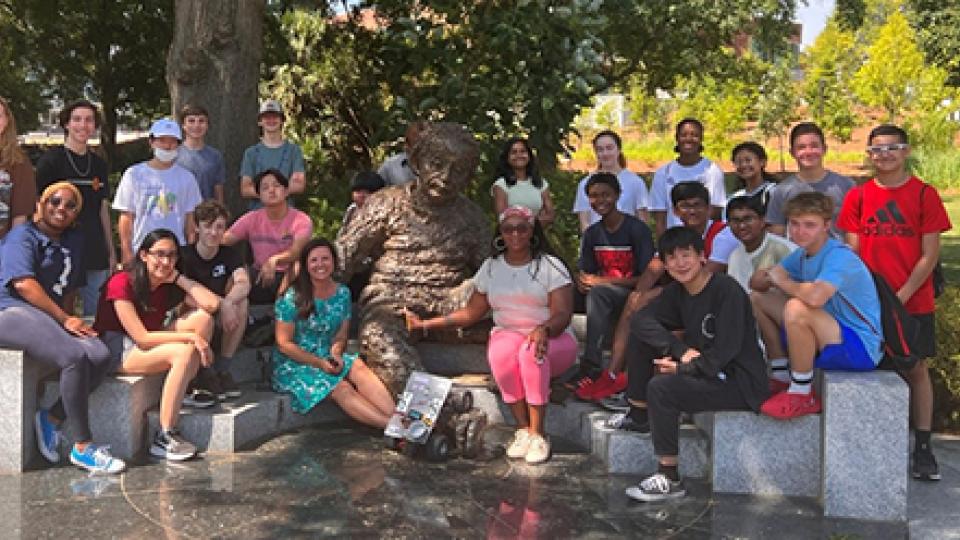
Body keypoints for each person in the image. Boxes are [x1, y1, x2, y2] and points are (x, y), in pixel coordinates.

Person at [406, 206, 577, 464]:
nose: (515, 234)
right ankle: (522, 430)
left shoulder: (550, 266)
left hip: (552, 338)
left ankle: (539, 434)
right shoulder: (491, 267)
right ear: (500, 233)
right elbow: (472, 312)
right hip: (509, 333)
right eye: (508, 229)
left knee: (531, 354)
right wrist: (426, 325)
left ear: (532, 232)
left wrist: (544, 329)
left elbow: (563, 313)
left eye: (522, 228)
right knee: (501, 354)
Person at [619, 226, 769, 501]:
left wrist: (682, 367)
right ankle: (639, 414)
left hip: (739, 381)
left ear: (702, 256)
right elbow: (641, 321)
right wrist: (678, 349)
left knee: (662, 388)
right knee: (644, 338)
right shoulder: (679, 292)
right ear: (664, 265)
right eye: (672, 258)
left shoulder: (726, 290)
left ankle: (669, 476)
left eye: (686, 255)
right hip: (708, 371)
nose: (680, 263)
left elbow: (725, 352)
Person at [837, 124, 952, 482]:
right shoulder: (857, 196)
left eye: (892, 148)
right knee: (871, 370)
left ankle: (922, 447)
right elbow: (852, 251)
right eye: (876, 150)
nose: (883, 155)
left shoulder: (924, 195)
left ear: (905, 152)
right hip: (868, 303)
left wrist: (899, 298)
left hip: (912, 301)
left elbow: (929, 254)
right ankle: (872, 448)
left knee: (916, 369)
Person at [0, 182, 124, 474]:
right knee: (73, 357)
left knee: (100, 354)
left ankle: (51, 418)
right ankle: (83, 447)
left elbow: (70, 288)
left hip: (47, 316)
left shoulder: (74, 240)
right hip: (10, 309)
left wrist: (69, 318)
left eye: (70, 206)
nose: (61, 209)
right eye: (55, 201)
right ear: (40, 204)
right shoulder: (23, 236)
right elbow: (24, 285)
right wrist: (64, 320)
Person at [751, 192, 882, 419]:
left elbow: (815, 298)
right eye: (794, 224)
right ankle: (782, 376)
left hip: (860, 345)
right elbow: (757, 283)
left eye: (809, 225)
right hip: (829, 332)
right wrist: (768, 277)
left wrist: (782, 280)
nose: (800, 231)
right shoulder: (802, 254)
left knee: (796, 307)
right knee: (758, 299)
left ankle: (802, 392)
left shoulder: (840, 256)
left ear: (826, 225)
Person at [93, 229, 219, 461]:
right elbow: (141, 337)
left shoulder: (166, 282)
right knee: (184, 352)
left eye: (172, 256)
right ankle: (164, 434)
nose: (166, 262)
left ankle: (184, 389)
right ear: (144, 255)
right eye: (159, 254)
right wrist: (191, 338)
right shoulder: (121, 282)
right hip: (118, 348)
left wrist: (179, 278)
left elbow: (210, 305)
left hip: (147, 341)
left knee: (203, 319)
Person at [273, 238, 395, 426]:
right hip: (296, 362)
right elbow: (284, 344)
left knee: (358, 367)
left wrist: (335, 354)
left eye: (325, 259)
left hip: (327, 354)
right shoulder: (292, 297)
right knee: (341, 388)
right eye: (314, 260)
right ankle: (391, 427)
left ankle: (400, 419)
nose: (320, 264)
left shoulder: (343, 293)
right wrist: (319, 363)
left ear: (334, 262)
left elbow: (341, 335)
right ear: (305, 265)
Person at [573, 172, 654, 398]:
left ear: (618, 195)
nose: (600, 201)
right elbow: (587, 271)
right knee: (562, 291)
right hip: (601, 293)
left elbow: (648, 277)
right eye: (594, 196)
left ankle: (592, 364)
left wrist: (601, 282)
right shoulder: (592, 234)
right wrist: (582, 282)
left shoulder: (637, 230)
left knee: (599, 293)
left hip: (630, 294)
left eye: (606, 195)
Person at [34, 99, 112, 316]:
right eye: (77, 119)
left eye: (89, 120)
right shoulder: (50, 161)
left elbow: (102, 208)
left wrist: (111, 251)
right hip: (61, 246)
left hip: (94, 247)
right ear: (66, 124)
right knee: (57, 314)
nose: (83, 125)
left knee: (95, 315)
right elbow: (38, 205)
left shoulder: (99, 164)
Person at [181, 200, 251, 399]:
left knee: (242, 302)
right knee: (203, 313)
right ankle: (202, 372)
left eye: (219, 226)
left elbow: (243, 283)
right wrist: (222, 304)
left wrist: (228, 303)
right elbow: (185, 298)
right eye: (208, 226)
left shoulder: (230, 254)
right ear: (196, 227)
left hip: (220, 314)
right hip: (191, 315)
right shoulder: (184, 255)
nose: (214, 232)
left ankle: (222, 369)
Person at [113, 118, 203, 268]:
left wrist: (190, 251)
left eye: (172, 141)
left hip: (175, 252)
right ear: (152, 142)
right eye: (162, 140)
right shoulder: (134, 174)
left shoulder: (187, 178)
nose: (167, 146)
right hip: (142, 251)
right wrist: (126, 251)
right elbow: (126, 216)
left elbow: (190, 220)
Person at [223, 168, 312, 304]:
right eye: (265, 188)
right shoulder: (252, 218)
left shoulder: (301, 219)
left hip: (289, 273)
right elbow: (225, 239)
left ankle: (281, 309)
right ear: (259, 195)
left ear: (286, 191)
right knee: (237, 274)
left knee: (298, 265)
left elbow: (297, 252)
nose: (271, 190)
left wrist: (274, 260)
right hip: (259, 272)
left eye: (276, 186)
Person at [765, 122, 853, 239]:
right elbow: (777, 238)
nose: (809, 152)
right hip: (798, 255)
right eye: (801, 147)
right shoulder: (781, 191)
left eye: (814, 146)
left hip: (837, 255)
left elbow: (853, 233)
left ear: (824, 149)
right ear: (792, 153)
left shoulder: (846, 186)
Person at [649, 118, 727, 237]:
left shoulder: (712, 170)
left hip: (703, 240)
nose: (689, 139)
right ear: (677, 138)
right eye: (684, 135)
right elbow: (660, 218)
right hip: (674, 240)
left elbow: (715, 212)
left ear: (701, 139)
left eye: (694, 135)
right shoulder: (663, 173)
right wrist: (663, 248)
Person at [572, 130, 649, 232]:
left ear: (618, 149)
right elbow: (584, 222)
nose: (605, 153)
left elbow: (643, 221)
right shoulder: (585, 184)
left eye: (609, 148)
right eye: (600, 149)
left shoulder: (635, 182)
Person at [240, 100, 306, 206]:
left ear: (282, 120)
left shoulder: (293, 151)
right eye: (266, 117)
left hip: (285, 215)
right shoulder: (251, 153)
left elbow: (299, 184)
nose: (271, 120)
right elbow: (245, 188)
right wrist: (268, 195)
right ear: (260, 121)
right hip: (258, 215)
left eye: (275, 117)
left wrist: (278, 194)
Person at [726, 195, 797, 293]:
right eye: (735, 221)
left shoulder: (783, 249)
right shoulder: (734, 256)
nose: (742, 226)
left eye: (748, 219)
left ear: (763, 221)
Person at [491, 137, 556, 226]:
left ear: (529, 155)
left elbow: (550, 215)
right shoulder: (501, 185)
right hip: (511, 236)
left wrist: (532, 224)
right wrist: (529, 223)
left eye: (523, 151)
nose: (519, 155)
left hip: (538, 235)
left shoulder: (541, 183)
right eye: (514, 152)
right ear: (507, 157)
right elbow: (502, 218)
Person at [175, 104, 226, 203]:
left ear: (207, 125)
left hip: (206, 213)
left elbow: (218, 190)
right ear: (183, 125)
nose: (196, 125)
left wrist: (220, 212)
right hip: (180, 212)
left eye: (201, 121)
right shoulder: (174, 155)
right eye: (191, 121)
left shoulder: (215, 156)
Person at [729, 141, 777, 213]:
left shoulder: (773, 192)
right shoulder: (734, 197)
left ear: (762, 162)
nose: (743, 165)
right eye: (738, 162)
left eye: (748, 160)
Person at [378, 120, 428, 186]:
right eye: (415, 139)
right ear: (407, 143)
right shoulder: (390, 166)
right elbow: (373, 191)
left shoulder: (441, 165)